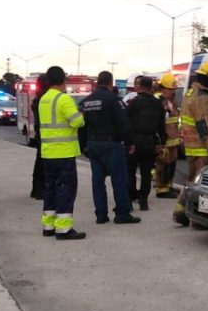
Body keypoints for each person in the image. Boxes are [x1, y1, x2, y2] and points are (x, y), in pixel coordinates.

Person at [79, 71, 142, 225]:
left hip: (93, 144)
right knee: (119, 179)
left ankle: (101, 215)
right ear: (110, 83)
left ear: (97, 82)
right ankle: (122, 213)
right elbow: (124, 123)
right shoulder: (114, 100)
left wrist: (83, 146)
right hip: (111, 144)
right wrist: (129, 142)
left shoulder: (86, 102)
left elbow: (81, 126)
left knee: (97, 180)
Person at [39, 66, 86, 240]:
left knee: (50, 189)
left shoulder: (44, 99)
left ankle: (48, 226)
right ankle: (64, 229)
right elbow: (77, 122)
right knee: (66, 190)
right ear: (62, 80)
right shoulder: (63, 99)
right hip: (63, 153)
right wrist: (80, 114)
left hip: (48, 153)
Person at [173, 61, 208, 226]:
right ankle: (199, 219)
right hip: (201, 147)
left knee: (192, 180)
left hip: (190, 146)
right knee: (203, 184)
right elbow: (204, 124)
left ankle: (181, 210)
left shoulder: (190, 93)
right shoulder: (203, 98)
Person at [126, 76, 165, 211]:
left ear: (141, 86)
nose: (135, 87)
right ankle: (144, 201)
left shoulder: (134, 102)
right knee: (146, 172)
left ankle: (131, 196)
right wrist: (162, 143)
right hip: (150, 141)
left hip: (134, 141)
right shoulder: (158, 103)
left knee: (130, 170)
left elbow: (126, 120)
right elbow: (162, 126)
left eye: (136, 84)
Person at [154, 73, 181, 199]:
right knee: (163, 163)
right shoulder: (159, 100)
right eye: (170, 89)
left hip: (173, 138)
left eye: (173, 89)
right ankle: (161, 188)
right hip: (164, 139)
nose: (172, 91)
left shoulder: (172, 100)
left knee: (172, 164)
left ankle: (168, 185)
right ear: (163, 88)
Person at [29, 73, 49, 199]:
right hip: (44, 134)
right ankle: (39, 189)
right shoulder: (43, 99)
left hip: (40, 133)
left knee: (40, 163)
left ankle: (36, 189)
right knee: (42, 164)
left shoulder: (38, 98)